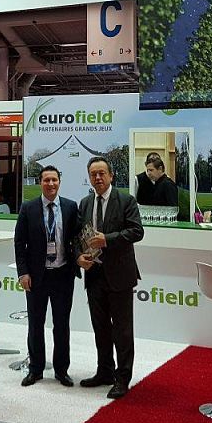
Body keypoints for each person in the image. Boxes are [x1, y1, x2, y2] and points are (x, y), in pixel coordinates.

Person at [77, 156, 144, 400]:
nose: (97, 178)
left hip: (120, 275)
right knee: (101, 328)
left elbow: (137, 231)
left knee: (122, 331)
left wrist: (107, 239)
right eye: (93, 174)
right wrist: (79, 257)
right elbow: (78, 236)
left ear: (111, 175)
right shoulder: (85, 203)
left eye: (101, 173)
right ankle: (104, 371)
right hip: (94, 275)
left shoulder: (126, 200)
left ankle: (122, 378)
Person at [13, 165, 81, 388]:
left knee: (62, 325)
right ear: (40, 182)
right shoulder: (28, 207)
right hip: (36, 277)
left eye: (54, 180)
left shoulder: (70, 207)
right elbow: (19, 242)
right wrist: (23, 272)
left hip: (63, 275)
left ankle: (61, 370)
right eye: (46, 180)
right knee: (35, 324)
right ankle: (35, 369)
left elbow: (77, 239)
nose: (51, 184)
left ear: (59, 181)